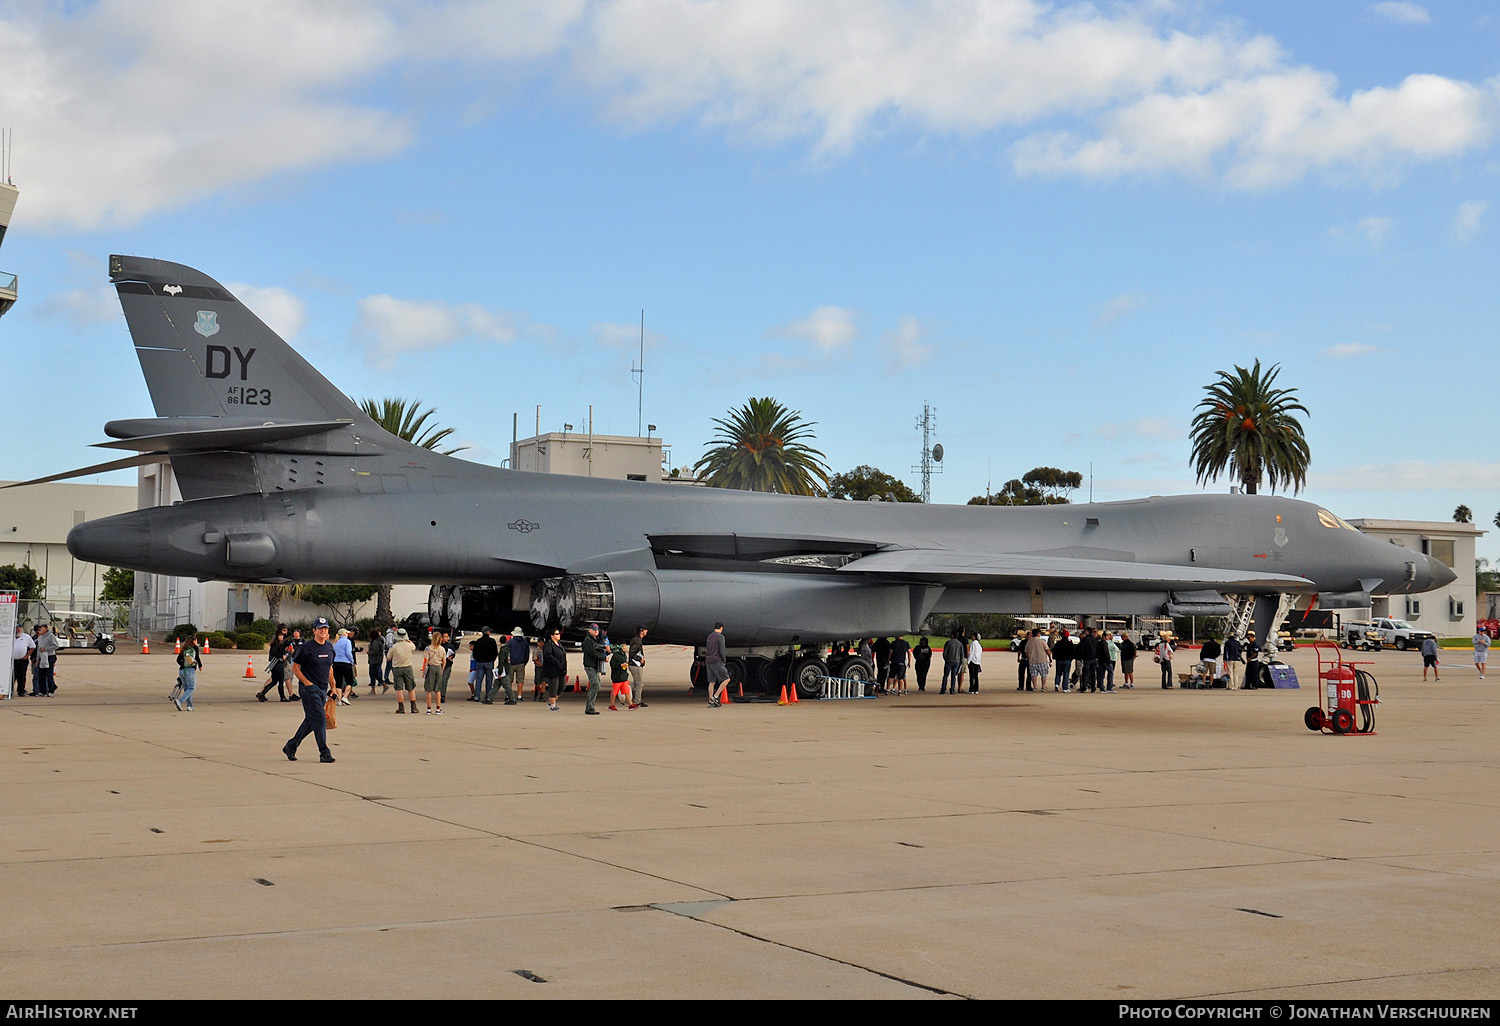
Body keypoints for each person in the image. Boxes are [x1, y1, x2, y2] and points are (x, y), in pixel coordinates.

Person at [282, 617, 336, 763]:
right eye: (320, 628)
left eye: (325, 628)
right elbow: (295, 667)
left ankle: (291, 746)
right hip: (309, 689)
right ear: (314, 631)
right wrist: (307, 683)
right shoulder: (307, 647)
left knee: (311, 720)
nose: (323, 631)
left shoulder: (330, 647)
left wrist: (333, 687)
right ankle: (324, 752)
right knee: (320, 719)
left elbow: (330, 668)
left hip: (323, 688)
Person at [388, 627, 418, 713]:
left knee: (399, 689)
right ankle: (413, 707)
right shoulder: (410, 645)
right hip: (408, 667)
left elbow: (388, 658)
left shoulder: (394, 647)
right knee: (411, 688)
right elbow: (414, 647)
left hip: (397, 668)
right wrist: (409, 641)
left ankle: (401, 707)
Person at [257, 626, 290, 702]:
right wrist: (282, 656)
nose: (282, 637)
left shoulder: (279, 644)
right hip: (277, 664)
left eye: (282, 636)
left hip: (276, 664)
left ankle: (262, 694)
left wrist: (286, 646)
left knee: (274, 681)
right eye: (280, 636)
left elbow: (281, 649)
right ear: (277, 636)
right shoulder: (275, 644)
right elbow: (274, 653)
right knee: (280, 681)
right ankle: (282, 697)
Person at [581, 622, 607, 715]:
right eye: (594, 629)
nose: (596, 631)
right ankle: (590, 707)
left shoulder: (595, 639)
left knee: (597, 684)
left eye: (597, 630)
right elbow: (592, 652)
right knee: (595, 684)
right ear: (589, 630)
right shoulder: (588, 640)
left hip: (594, 665)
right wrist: (603, 657)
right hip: (590, 665)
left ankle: (590, 706)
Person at [541, 628, 567, 711]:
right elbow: (548, 655)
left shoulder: (559, 644)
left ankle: (553, 701)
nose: (558, 635)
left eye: (559, 633)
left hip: (561, 669)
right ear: (552, 636)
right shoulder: (548, 645)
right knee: (553, 687)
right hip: (552, 669)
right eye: (556, 634)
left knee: (562, 686)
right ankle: (552, 705)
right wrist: (557, 663)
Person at [174, 634, 202, 711]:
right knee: (192, 688)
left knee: (187, 689)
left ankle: (189, 706)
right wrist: (200, 665)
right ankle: (180, 701)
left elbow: (178, 660)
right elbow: (197, 658)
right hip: (190, 670)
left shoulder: (184, 648)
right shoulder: (194, 648)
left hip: (181, 671)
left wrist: (183, 664)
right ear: (194, 641)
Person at [423, 631, 448, 713]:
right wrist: (442, 670)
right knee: (438, 690)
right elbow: (444, 661)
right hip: (438, 667)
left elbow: (426, 660)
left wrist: (424, 670)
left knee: (429, 690)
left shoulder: (428, 648)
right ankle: (438, 708)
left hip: (431, 667)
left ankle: (429, 709)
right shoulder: (442, 649)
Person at [472, 626, 498, 704]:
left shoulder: (478, 641)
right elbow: (495, 652)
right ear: (487, 632)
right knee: (489, 680)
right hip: (489, 662)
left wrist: (478, 659)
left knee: (479, 680)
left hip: (480, 662)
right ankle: (488, 696)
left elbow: (475, 653)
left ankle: (477, 696)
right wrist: (492, 659)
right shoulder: (492, 641)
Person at [705, 622, 729, 708]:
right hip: (717, 660)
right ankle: (715, 696)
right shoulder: (720, 637)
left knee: (711, 682)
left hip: (708, 660)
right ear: (721, 628)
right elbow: (721, 650)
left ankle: (710, 701)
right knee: (726, 679)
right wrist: (724, 660)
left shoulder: (710, 636)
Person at [332, 628, 357, 705]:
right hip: (346, 663)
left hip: (336, 663)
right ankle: (345, 696)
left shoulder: (336, 643)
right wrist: (351, 660)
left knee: (338, 682)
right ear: (344, 634)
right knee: (350, 681)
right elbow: (348, 653)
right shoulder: (347, 641)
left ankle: (339, 700)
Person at [33, 623, 59, 697]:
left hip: (49, 656)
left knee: (49, 674)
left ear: (45, 628)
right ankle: (42, 691)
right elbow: (38, 648)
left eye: (41, 628)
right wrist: (37, 659)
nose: (40, 629)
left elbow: (56, 645)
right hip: (41, 657)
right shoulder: (40, 637)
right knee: (41, 674)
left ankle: (51, 690)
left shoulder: (51, 636)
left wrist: (46, 649)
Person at [505, 627, 530, 704]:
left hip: (511, 663)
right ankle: (519, 696)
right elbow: (527, 654)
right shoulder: (525, 642)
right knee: (520, 680)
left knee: (509, 680)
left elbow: (507, 652)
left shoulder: (510, 642)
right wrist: (524, 662)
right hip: (521, 663)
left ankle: (508, 695)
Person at [12, 623, 34, 697]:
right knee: (12, 676)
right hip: (12, 660)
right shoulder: (11, 636)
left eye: (18, 628)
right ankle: (10, 690)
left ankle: (21, 690)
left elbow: (33, 646)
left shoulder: (26, 637)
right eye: (16, 628)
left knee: (21, 675)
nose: (17, 630)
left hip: (22, 660)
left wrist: (27, 655)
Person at [628, 626, 648, 708]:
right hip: (635, 665)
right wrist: (640, 659)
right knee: (639, 683)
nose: (647, 631)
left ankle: (624, 691)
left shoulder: (637, 640)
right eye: (645, 630)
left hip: (635, 664)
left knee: (636, 683)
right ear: (641, 631)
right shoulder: (636, 641)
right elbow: (633, 653)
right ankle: (637, 701)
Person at [608, 643, 632, 710]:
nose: (625, 647)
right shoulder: (615, 655)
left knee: (627, 691)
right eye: (623, 646)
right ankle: (611, 705)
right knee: (614, 692)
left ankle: (630, 704)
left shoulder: (624, 655)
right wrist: (620, 665)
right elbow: (612, 664)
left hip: (623, 676)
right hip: (617, 677)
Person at [365, 628, 386, 695]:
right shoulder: (379, 640)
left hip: (375, 660)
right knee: (375, 674)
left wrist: (369, 652)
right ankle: (383, 684)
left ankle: (373, 690)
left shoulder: (375, 642)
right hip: (378, 659)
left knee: (372, 674)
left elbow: (375, 651)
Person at [1052, 630, 1073, 694]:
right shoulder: (1070, 644)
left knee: (1058, 673)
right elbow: (1073, 652)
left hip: (1059, 660)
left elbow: (1054, 651)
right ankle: (1065, 688)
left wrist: (1054, 657)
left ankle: (1057, 684)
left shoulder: (1058, 643)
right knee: (1066, 674)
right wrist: (1071, 658)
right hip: (1067, 660)